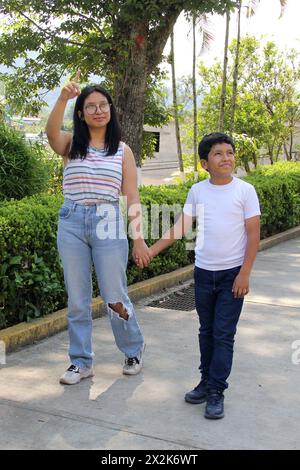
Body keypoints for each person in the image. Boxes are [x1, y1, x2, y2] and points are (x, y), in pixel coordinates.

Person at [145, 133, 261, 419]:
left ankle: (216, 391)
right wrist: (151, 250)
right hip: (203, 273)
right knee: (206, 331)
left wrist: (244, 273)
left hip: (232, 275)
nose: (226, 158)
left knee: (223, 334)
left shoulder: (245, 191)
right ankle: (205, 381)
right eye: (218, 154)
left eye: (230, 152)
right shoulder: (198, 191)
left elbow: (253, 234)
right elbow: (181, 227)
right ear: (204, 163)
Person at [46, 70, 150, 385]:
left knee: (114, 295)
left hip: (108, 221)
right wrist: (63, 98)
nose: (98, 110)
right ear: (81, 113)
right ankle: (81, 362)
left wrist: (139, 240)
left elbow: (132, 196)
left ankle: (133, 349)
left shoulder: (122, 150)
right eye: (90, 106)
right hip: (72, 221)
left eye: (103, 105)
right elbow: (51, 135)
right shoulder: (70, 145)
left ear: (110, 110)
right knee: (77, 299)